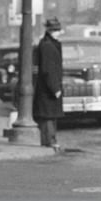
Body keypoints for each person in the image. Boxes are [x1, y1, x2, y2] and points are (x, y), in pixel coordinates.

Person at [33, 17, 64, 148]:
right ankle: (50, 142)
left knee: (49, 117)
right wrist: (55, 88)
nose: (59, 33)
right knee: (48, 117)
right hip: (48, 89)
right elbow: (48, 70)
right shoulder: (48, 46)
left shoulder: (48, 44)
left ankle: (50, 141)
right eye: (56, 30)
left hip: (47, 88)